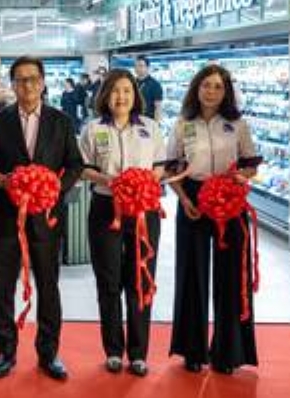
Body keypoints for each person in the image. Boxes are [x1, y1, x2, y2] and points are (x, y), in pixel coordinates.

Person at [0, 56, 83, 381]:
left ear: (43, 82)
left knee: (49, 287)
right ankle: (5, 351)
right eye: (20, 80)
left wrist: (55, 189)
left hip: (47, 220)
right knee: (3, 288)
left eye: (33, 78)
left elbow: (75, 164)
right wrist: (1, 181)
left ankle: (49, 353)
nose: (27, 85)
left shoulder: (61, 121)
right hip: (6, 220)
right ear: (13, 85)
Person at [166, 64, 259, 375]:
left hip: (229, 199)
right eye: (206, 85)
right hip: (193, 197)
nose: (211, 92)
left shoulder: (238, 124)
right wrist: (184, 199)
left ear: (226, 91)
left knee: (231, 275)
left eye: (218, 86)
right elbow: (171, 168)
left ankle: (228, 352)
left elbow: (250, 164)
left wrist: (239, 179)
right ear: (196, 88)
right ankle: (192, 350)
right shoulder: (182, 124)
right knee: (192, 272)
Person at [78, 69, 167, 377]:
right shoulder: (92, 129)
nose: (121, 97)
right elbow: (83, 169)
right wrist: (109, 180)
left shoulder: (150, 128)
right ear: (105, 95)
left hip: (144, 211)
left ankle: (139, 353)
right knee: (109, 281)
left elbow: (160, 167)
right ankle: (114, 350)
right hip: (106, 209)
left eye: (127, 90)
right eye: (115, 91)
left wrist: (143, 183)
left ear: (135, 95)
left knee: (140, 279)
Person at [135, 56, 164, 121]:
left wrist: (157, 123)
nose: (137, 68)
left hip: (148, 120)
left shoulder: (155, 85)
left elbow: (158, 107)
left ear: (147, 67)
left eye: (141, 66)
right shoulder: (132, 82)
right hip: (134, 119)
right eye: (136, 66)